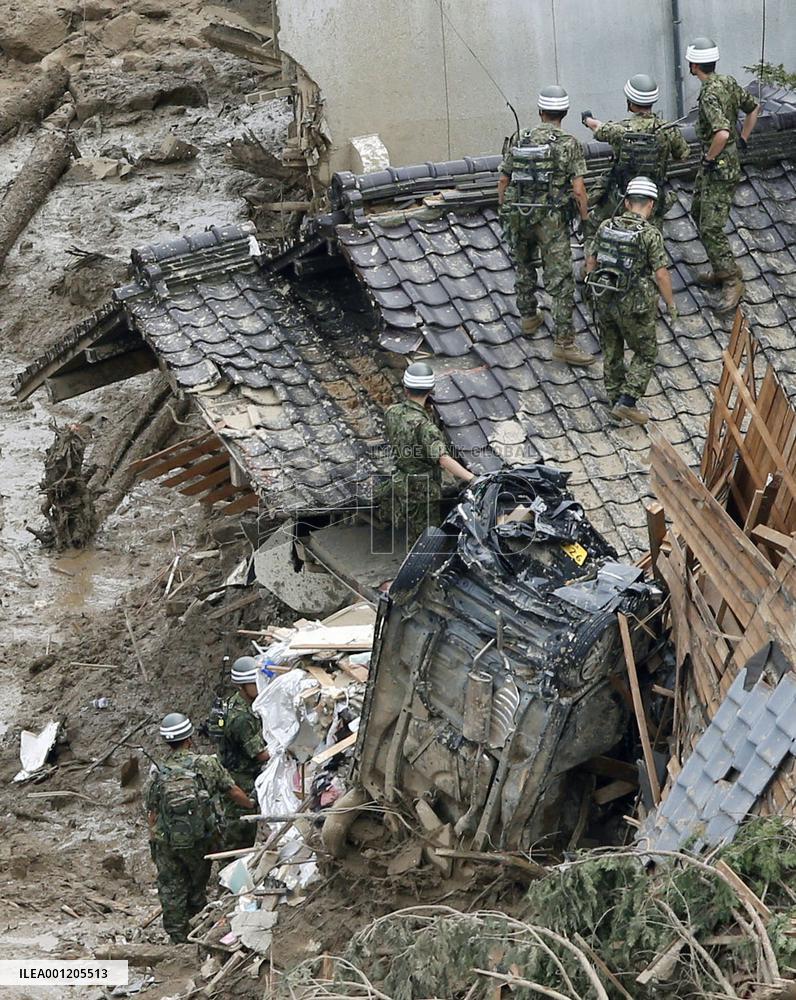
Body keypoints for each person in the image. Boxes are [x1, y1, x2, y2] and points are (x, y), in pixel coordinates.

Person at [498, 85, 595, 366]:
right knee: (560, 279)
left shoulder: (521, 137)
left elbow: (503, 179)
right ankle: (564, 342)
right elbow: (578, 189)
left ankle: (528, 316)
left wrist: (504, 209)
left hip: (520, 212)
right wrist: (585, 219)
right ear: (564, 112)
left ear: (540, 111)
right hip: (551, 218)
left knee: (524, 263)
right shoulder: (569, 143)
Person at [145, 713, 256, 943]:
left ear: (167, 741)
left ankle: (177, 937)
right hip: (199, 839)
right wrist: (252, 805)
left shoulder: (157, 773)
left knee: (170, 887)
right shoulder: (207, 764)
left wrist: (156, 842)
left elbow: (152, 814)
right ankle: (198, 928)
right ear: (189, 738)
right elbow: (232, 791)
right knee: (197, 885)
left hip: (166, 842)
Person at [585, 176, 676, 426]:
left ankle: (614, 402)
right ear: (651, 204)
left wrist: (592, 286)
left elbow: (591, 261)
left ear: (626, 203)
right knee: (646, 352)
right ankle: (627, 402)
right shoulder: (650, 234)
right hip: (636, 304)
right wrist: (671, 304)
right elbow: (661, 274)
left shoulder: (605, 227)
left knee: (612, 349)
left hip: (605, 297)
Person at [687, 36, 760, 313]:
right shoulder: (727, 82)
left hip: (717, 166)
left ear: (694, 65)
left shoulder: (709, 94)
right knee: (697, 211)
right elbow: (753, 109)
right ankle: (720, 266)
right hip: (723, 162)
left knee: (710, 226)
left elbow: (721, 132)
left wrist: (709, 157)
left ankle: (730, 278)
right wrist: (744, 138)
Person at [582, 73, 690, 256]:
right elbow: (683, 155)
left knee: (594, 225)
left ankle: (591, 266)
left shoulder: (620, 129)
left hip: (621, 196)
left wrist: (587, 120)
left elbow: (598, 129)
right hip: (651, 197)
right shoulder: (667, 130)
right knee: (651, 235)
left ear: (630, 102)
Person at [375, 362, 474, 544]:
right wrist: (471, 478)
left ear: (406, 388)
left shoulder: (392, 413)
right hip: (423, 489)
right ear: (430, 390)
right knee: (424, 539)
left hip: (401, 481)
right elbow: (443, 459)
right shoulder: (426, 427)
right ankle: (423, 571)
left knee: (412, 529)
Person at [214, 657, 269, 851]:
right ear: (243, 686)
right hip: (241, 778)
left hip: (236, 771)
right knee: (240, 828)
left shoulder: (238, 704)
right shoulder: (242, 718)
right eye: (255, 683)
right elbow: (261, 754)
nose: (259, 686)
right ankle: (229, 870)